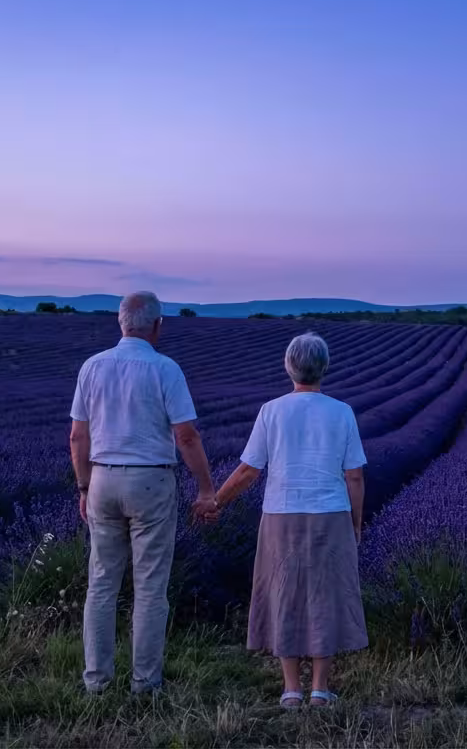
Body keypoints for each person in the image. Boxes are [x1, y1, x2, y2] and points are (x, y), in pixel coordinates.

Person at [195, 332, 367, 708]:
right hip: (330, 513)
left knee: (284, 593)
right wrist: (356, 523)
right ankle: (320, 688)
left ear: (288, 367)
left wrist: (216, 501)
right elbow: (354, 475)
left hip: (281, 514)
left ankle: (290, 689)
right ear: (324, 367)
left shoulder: (271, 410)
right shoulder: (341, 412)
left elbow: (247, 471)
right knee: (326, 595)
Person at [69, 291, 216, 695]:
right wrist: (206, 488)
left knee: (101, 583)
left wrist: (84, 486)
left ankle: (96, 681)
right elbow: (186, 435)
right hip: (150, 481)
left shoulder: (92, 367)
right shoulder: (165, 369)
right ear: (156, 325)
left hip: (102, 478)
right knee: (150, 586)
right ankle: (145, 683)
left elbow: (77, 436)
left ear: (121, 323)